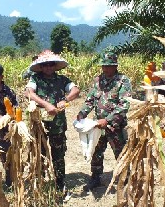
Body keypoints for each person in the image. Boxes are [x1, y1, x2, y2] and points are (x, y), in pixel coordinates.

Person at [24, 50, 80, 194]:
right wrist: (46, 104)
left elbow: (75, 90)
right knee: (39, 152)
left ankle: (60, 183)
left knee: (58, 154)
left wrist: (65, 100)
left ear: (55, 66)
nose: (48, 67)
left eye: (51, 65)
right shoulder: (35, 79)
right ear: (41, 67)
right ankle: (41, 183)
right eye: (45, 65)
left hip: (58, 124)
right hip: (39, 123)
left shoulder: (62, 80)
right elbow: (29, 93)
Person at [76, 52, 132, 191]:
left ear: (115, 66)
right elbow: (90, 100)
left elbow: (124, 104)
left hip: (115, 126)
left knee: (120, 153)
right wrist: (82, 113)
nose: (105, 69)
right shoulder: (98, 80)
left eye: (108, 66)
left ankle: (125, 178)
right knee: (96, 151)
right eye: (103, 66)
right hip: (97, 126)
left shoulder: (122, 81)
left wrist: (107, 120)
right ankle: (95, 177)